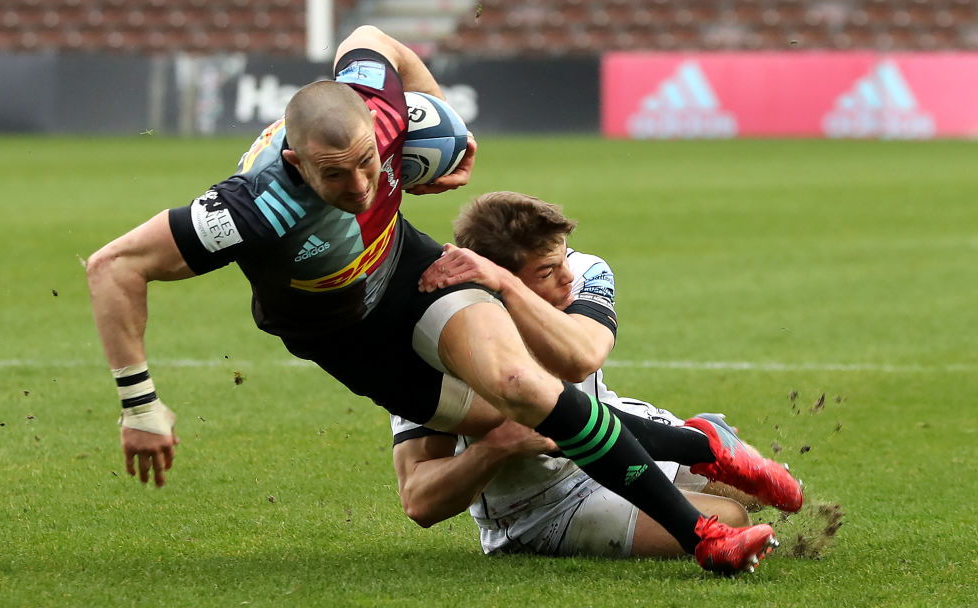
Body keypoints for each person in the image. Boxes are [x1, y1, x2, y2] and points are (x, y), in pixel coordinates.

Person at [86, 25, 795, 575]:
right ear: (298, 165)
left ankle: (704, 536)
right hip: (347, 337)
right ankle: (697, 443)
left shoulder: (378, 108)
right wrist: (140, 404)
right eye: (336, 178)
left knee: (526, 387)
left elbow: (376, 40)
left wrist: (448, 138)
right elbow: (113, 265)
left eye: (370, 162)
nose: (363, 187)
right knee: (501, 418)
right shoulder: (249, 207)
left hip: (408, 269)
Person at [393, 192, 780, 559]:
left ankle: (693, 437)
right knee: (730, 516)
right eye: (547, 271)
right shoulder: (440, 336)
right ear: (488, 281)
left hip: (614, 430)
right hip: (543, 505)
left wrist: (514, 285)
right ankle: (695, 445)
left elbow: (583, 357)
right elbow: (419, 500)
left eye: (562, 259)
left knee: (749, 489)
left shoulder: (583, 270)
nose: (568, 277)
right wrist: (497, 446)